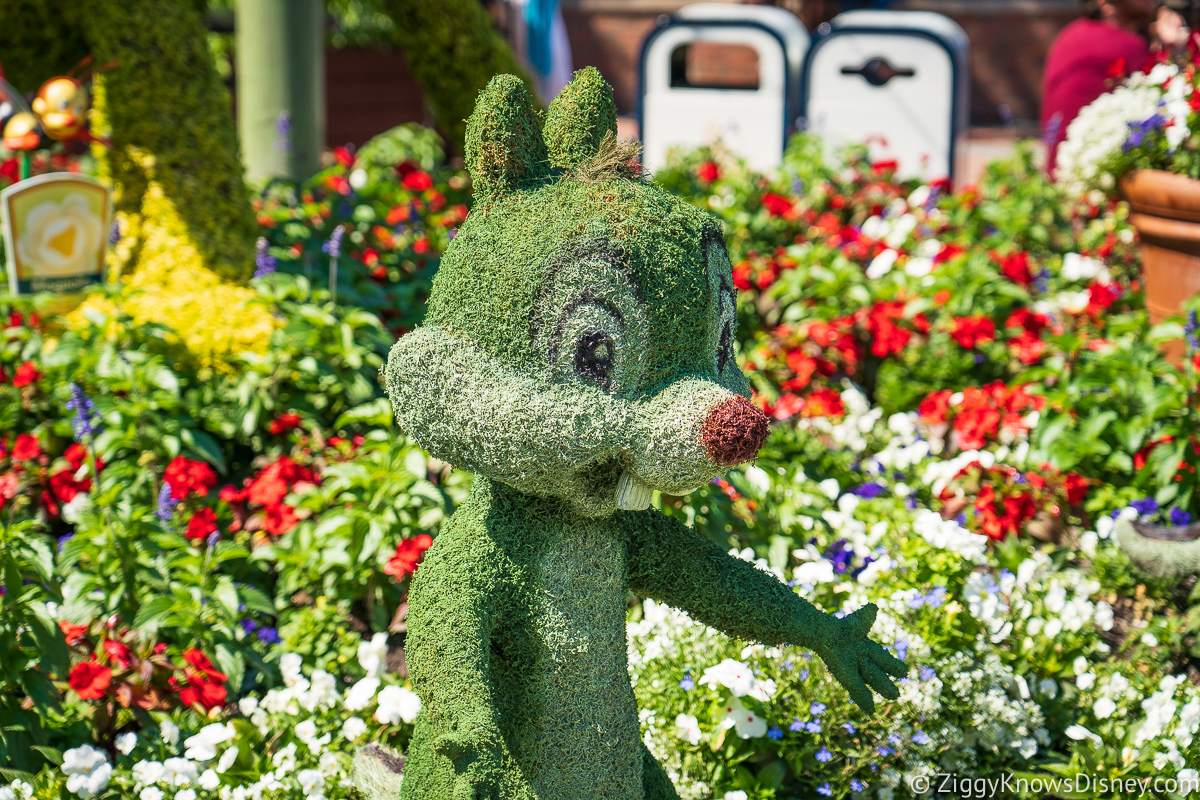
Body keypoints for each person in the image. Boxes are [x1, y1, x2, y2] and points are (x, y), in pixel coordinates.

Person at [1042, 0, 1188, 175]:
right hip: (1094, 180)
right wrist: (1176, 48)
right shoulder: (1125, 44)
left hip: (1065, 173)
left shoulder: (1072, 32)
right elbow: (1171, 100)